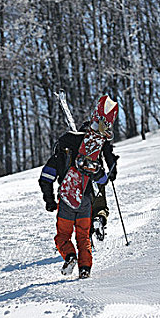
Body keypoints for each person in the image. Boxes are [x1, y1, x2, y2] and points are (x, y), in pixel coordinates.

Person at [39, 97, 118, 279]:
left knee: (63, 237)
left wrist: (49, 201)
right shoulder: (89, 157)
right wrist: (105, 172)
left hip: (66, 201)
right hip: (85, 201)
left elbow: (45, 178)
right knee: (83, 237)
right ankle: (85, 269)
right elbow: (102, 180)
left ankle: (70, 256)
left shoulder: (60, 156)